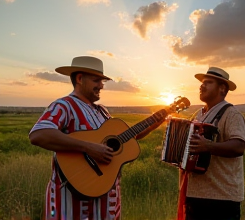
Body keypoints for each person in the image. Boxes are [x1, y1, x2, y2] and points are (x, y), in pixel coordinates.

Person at [29, 56, 168, 220]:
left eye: (102, 81)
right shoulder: (64, 105)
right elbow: (39, 134)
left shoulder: (102, 111)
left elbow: (125, 139)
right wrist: (88, 147)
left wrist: (154, 122)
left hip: (107, 204)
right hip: (73, 205)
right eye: (96, 80)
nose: (101, 86)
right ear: (80, 78)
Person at [178, 67, 245, 220]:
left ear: (222, 89)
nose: (201, 86)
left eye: (208, 83)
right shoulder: (198, 114)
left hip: (222, 198)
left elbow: (239, 146)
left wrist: (208, 146)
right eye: (202, 83)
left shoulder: (232, 115)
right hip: (195, 194)